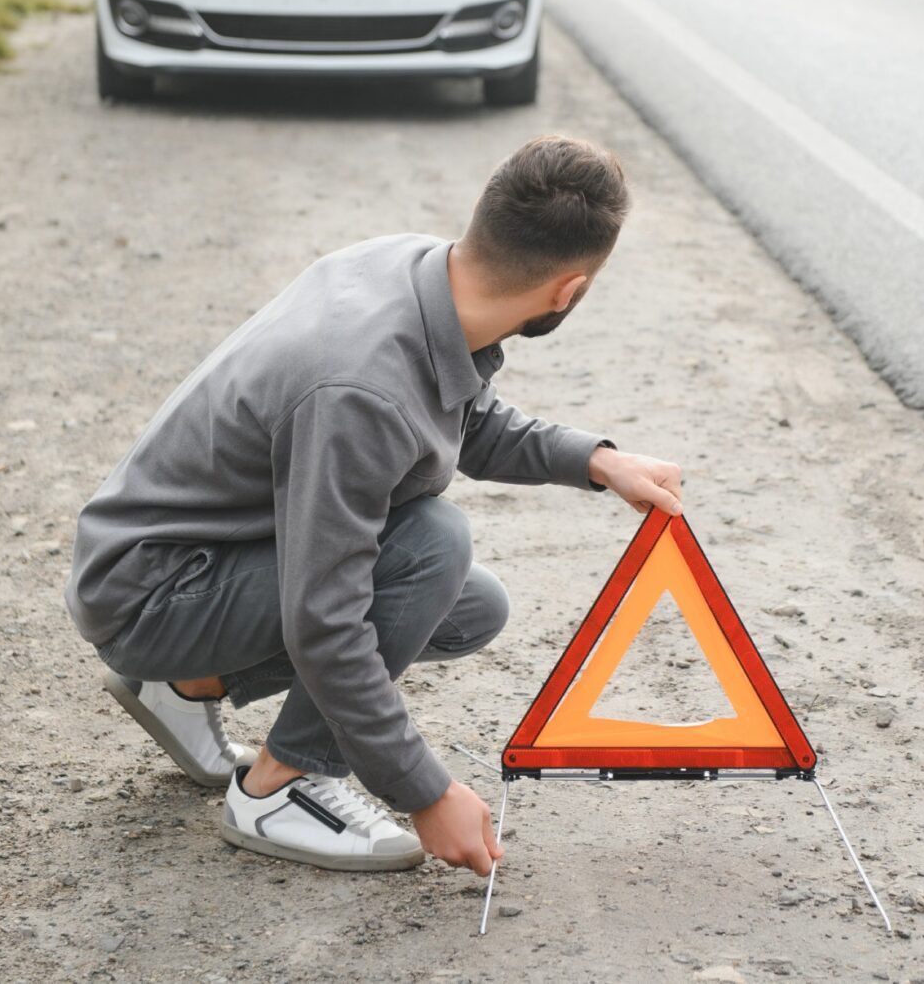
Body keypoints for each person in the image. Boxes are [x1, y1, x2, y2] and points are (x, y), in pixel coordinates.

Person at [64, 135, 682, 878]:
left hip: (190, 559)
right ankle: (277, 786)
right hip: (151, 593)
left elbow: (465, 415)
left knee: (467, 604)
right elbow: (324, 621)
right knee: (431, 547)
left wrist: (594, 459)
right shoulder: (360, 387)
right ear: (568, 290)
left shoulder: (415, 268)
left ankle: (190, 684)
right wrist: (424, 790)